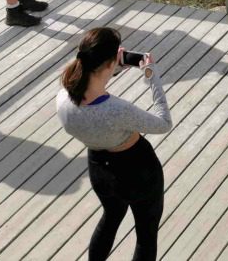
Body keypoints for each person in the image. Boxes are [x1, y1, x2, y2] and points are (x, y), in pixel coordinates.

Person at [56, 27, 172, 261]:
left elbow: (92, 84)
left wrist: (113, 67)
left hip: (100, 169)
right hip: (138, 173)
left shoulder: (63, 98)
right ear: (108, 64)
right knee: (146, 234)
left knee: (110, 218)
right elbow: (163, 123)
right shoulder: (116, 110)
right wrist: (152, 75)